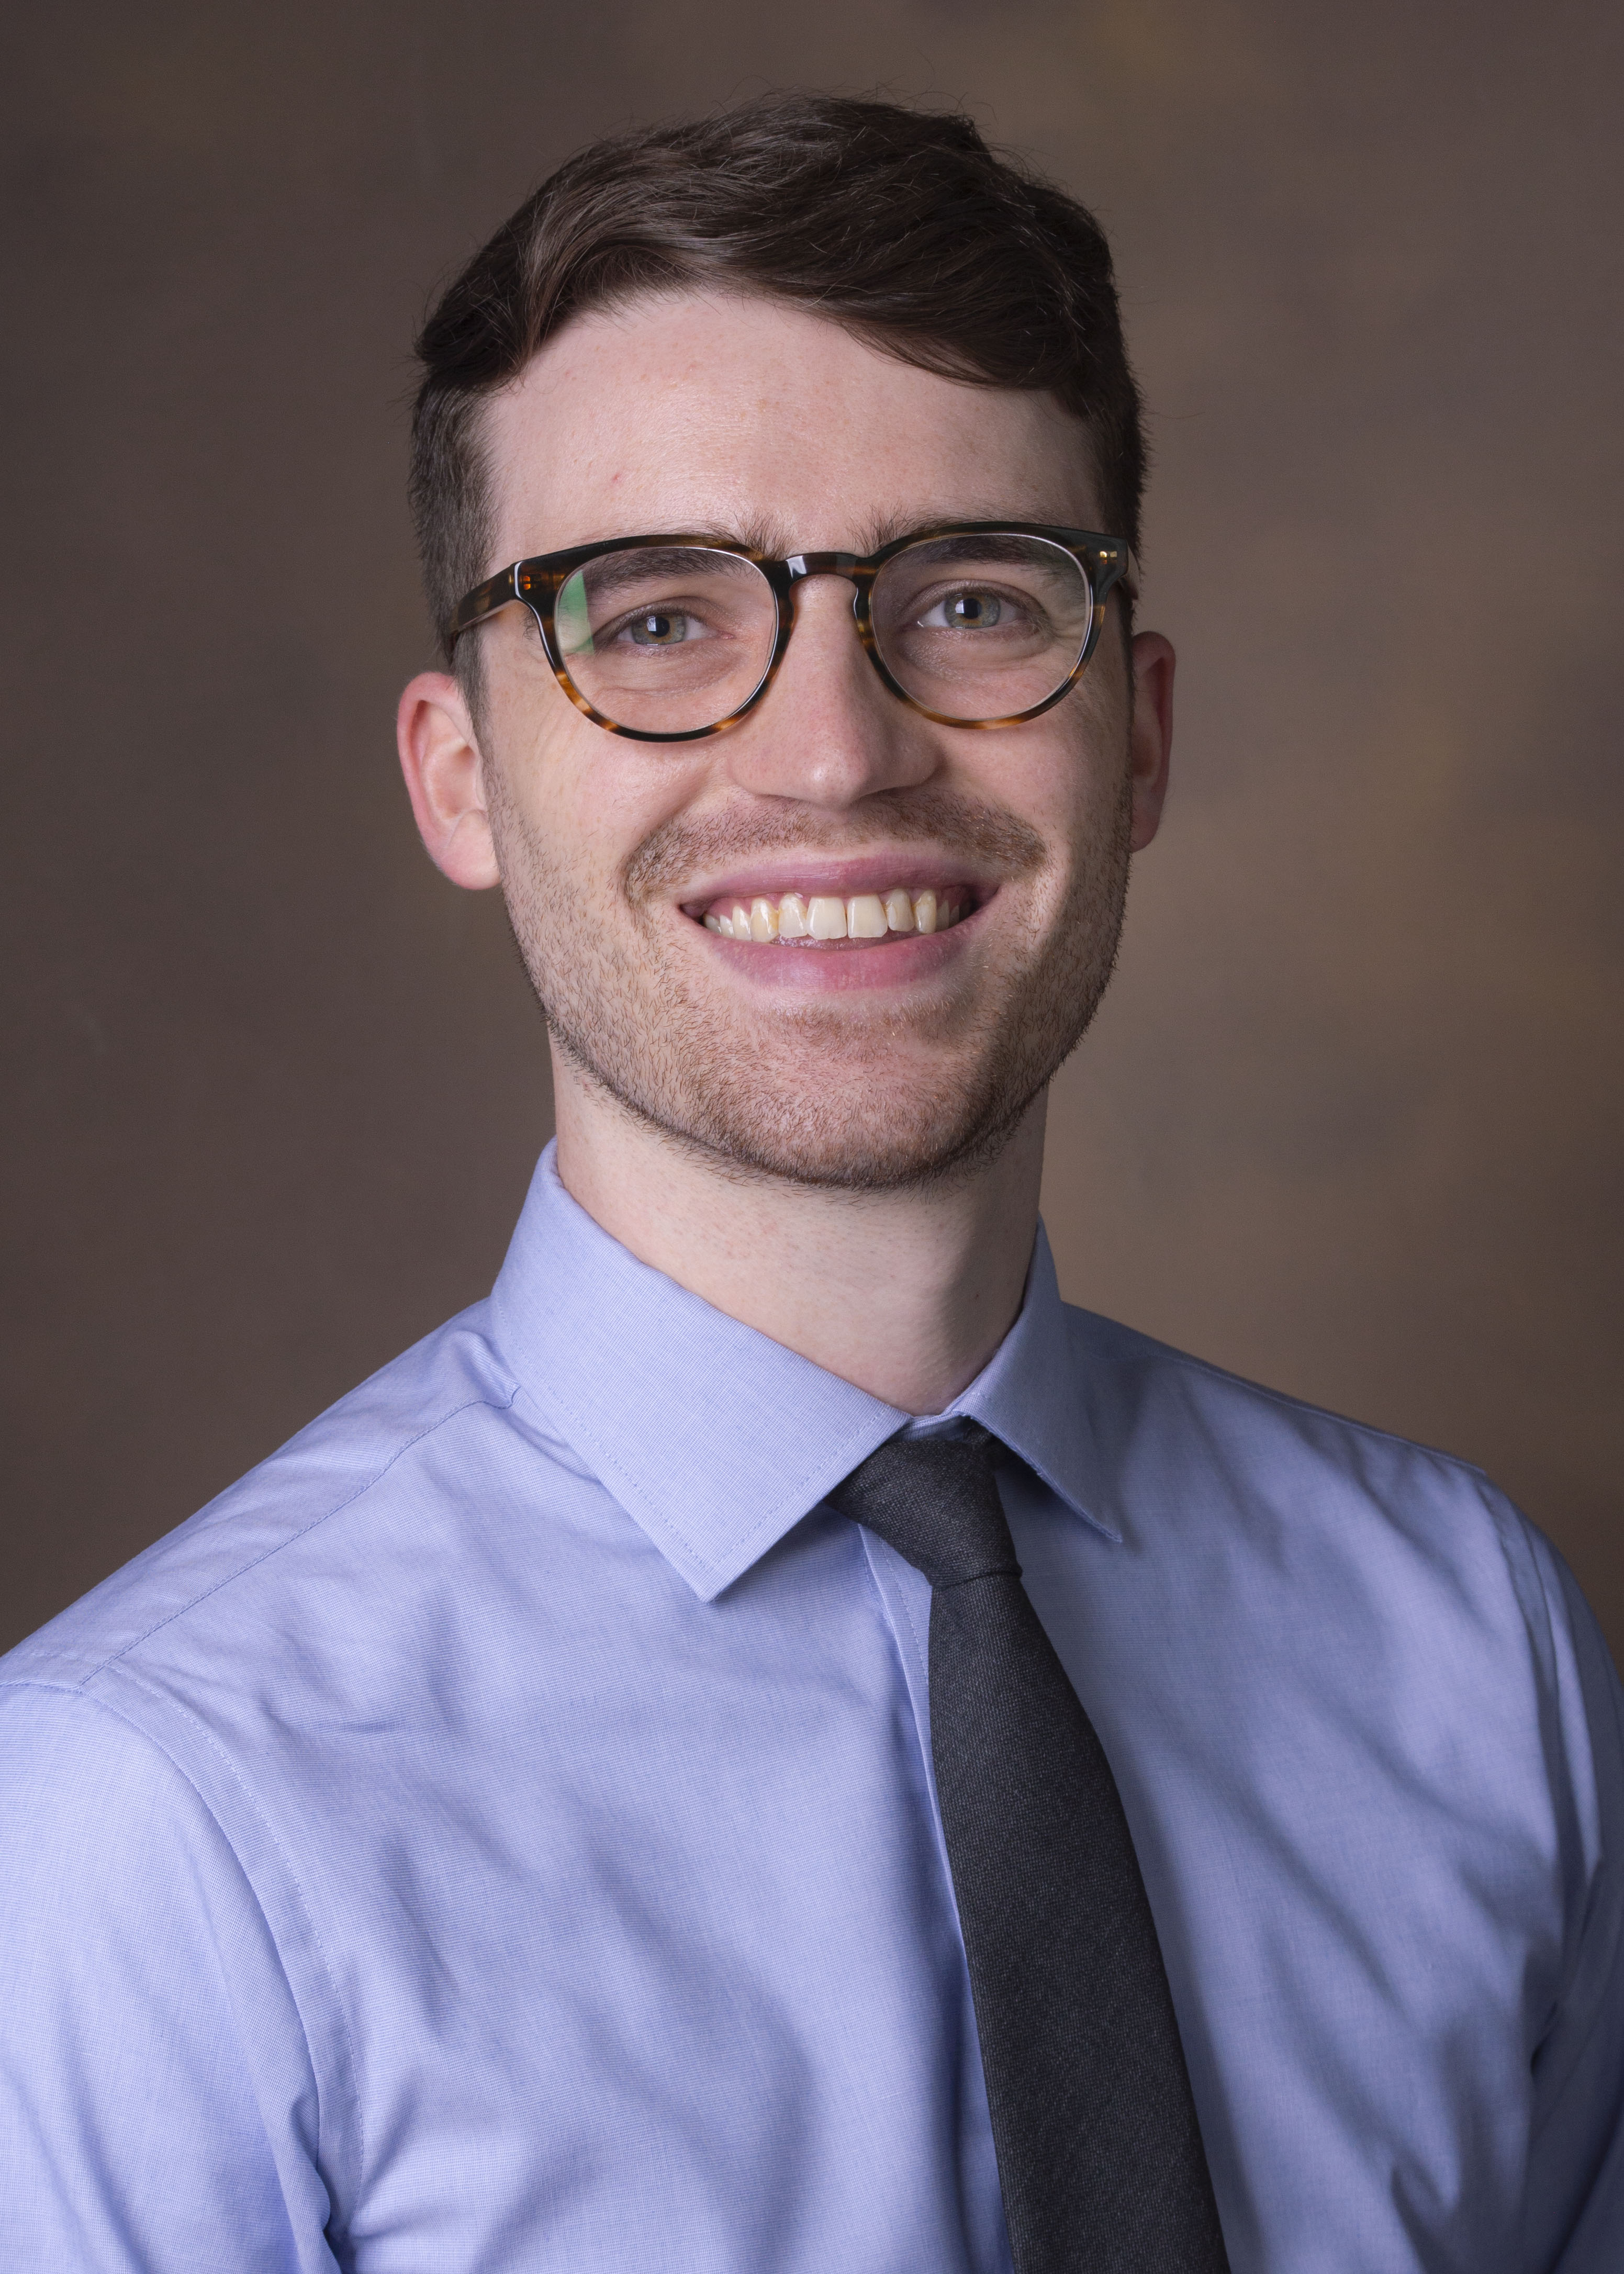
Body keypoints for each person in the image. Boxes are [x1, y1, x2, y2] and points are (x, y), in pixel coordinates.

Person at [1, 92, 1619, 2274]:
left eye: (970, 597)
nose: (836, 750)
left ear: (1137, 738)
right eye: (657, 620)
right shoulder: (149, 1824)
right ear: (461, 779)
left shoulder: (1468, 1641)